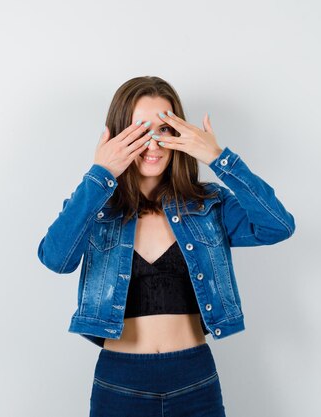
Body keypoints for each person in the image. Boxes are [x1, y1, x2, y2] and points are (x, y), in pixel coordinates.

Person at [37, 76, 296, 416]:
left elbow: (277, 226)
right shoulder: (97, 206)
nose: (153, 144)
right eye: (140, 131)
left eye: (163, 130)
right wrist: (101, 173)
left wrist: (218, 158)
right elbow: (55, 258)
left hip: (195, 380)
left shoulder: (208, 204)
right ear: (117, 135)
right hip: (120, 382)